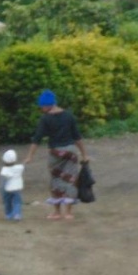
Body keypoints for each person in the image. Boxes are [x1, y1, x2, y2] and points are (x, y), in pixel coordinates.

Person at [24, 90, 89, 221]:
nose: (42, 109)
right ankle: (69, 213)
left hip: (56, 153)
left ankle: (57, 212)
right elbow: (77, 137)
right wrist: (84, 154)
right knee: (71, 180)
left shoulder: (46, 118)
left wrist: (30, 156)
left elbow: (37, 139)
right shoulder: (69, 115)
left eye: (42, 106)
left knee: (56, 180)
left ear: (48, 105)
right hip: (71, 152)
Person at [0, 149, 24, 221]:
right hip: (17, 188)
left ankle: (8, 215)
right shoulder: (19, 168)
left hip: (7, 189)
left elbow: (2, 182)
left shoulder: (4, 170)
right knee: (17, 202)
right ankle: (17, 214)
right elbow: (23, 164)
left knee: (7, 202)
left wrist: (1, 189)